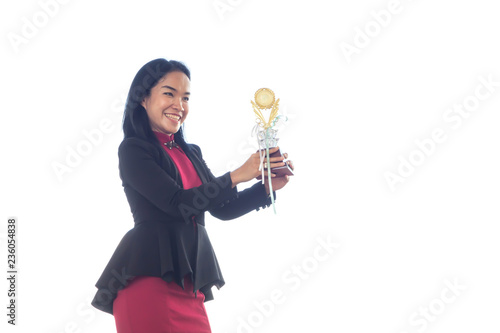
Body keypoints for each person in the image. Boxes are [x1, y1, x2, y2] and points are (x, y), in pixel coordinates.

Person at [90, 58, 294, 332]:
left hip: (187, 283)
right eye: (168, 93)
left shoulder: (190, 152)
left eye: (185, 97)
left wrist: (266, 187)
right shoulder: (133, 150)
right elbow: (177, 204)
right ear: (143, 99)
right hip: (146, 282)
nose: (179, 105)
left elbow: (222, 208)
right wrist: (237, 174)